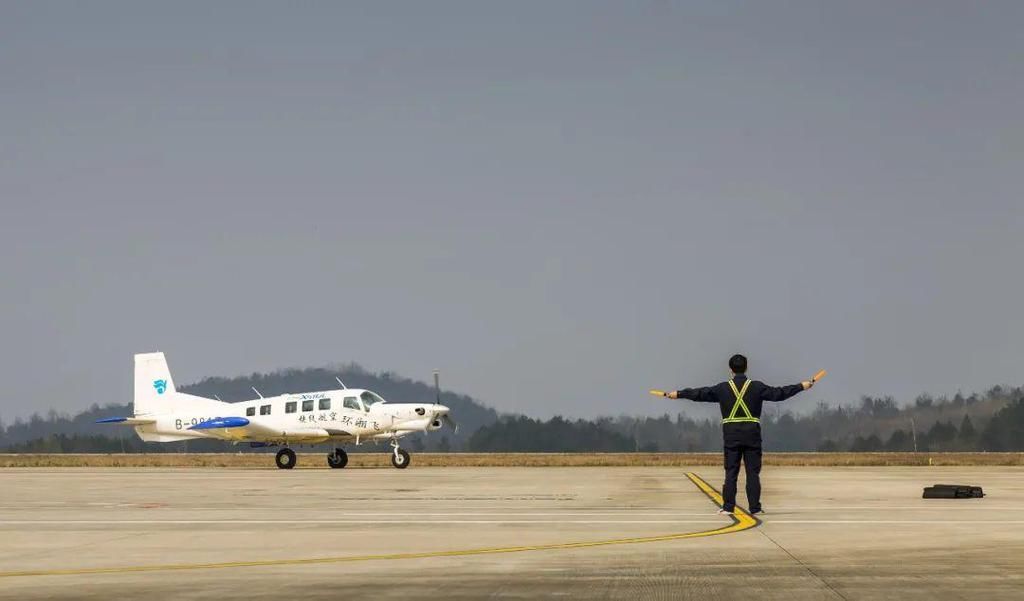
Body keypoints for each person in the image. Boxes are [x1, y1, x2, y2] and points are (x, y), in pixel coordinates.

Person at [667, 354, 813, 515]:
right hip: (752, 434)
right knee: (752, 472)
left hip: (731, 435)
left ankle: (728, 507)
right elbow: (779, 393)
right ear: (747, 367)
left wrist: (679, 394)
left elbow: (699, 393)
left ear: (730, 370)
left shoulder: (722, 389)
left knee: (731, 471)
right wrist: (801, 386)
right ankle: (755, 508)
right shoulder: (757, 387)